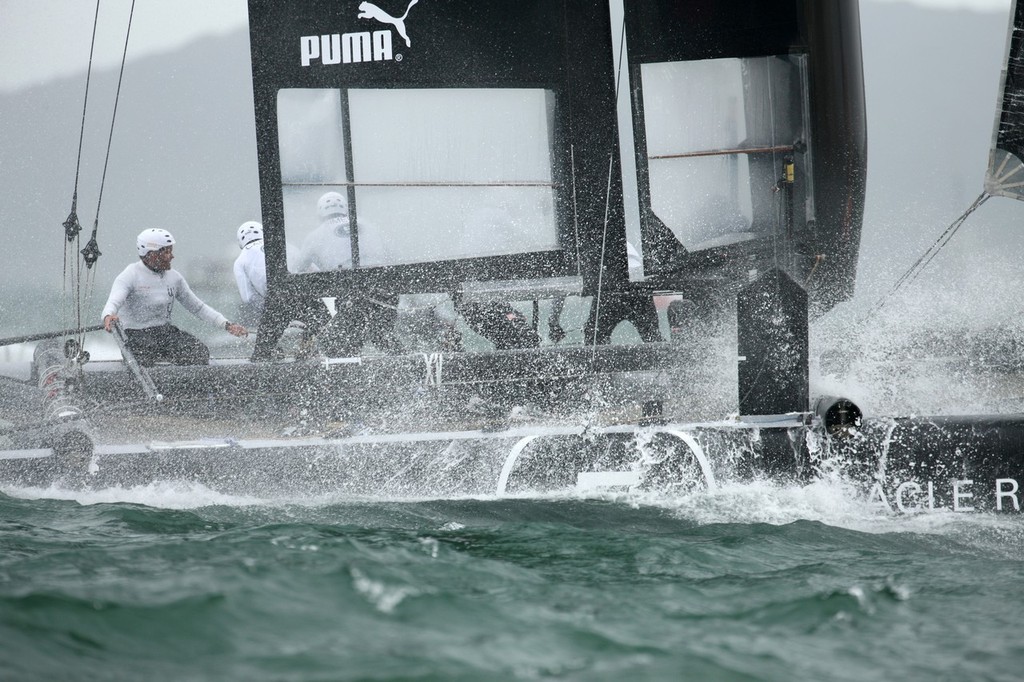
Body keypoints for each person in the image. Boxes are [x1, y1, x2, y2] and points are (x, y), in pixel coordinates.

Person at [102, 228, 247, 365]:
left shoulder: (174, 278)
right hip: (135, 335)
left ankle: (184, 386)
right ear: (151, 254)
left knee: (199, 352)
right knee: (144, 355)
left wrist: (227, 325)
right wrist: (108, 316)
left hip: (164, 332)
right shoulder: (130, 275)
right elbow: (113, 303)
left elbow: (198, 308)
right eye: (167, 252)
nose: (172, 256)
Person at [234, 221, 329, 359]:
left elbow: (248, 297)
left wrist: (269, 310)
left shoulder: (240, 260)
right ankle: (308, 344)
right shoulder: (286, 246)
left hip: (276, 299)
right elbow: (314, 271)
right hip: (302, 292)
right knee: (326, 325)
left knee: (261, 355)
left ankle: (270, 353)